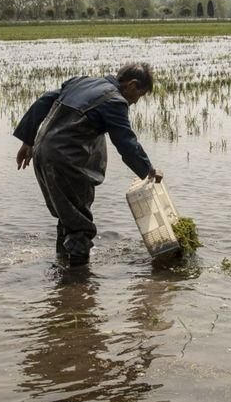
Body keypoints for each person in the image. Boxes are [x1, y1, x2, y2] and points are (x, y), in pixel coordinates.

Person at [14, 62, 163, 268]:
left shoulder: (81, 82)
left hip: (43, 153)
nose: (136, 102)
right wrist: (148, 170)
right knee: (80, 225)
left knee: (69, 216)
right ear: (132, 85)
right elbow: (126, 142)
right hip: (67, 159)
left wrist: (27, 140)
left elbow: (43, 102)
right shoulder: (115, 101)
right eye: (140, 94)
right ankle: (78, 283)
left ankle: (62, 272)